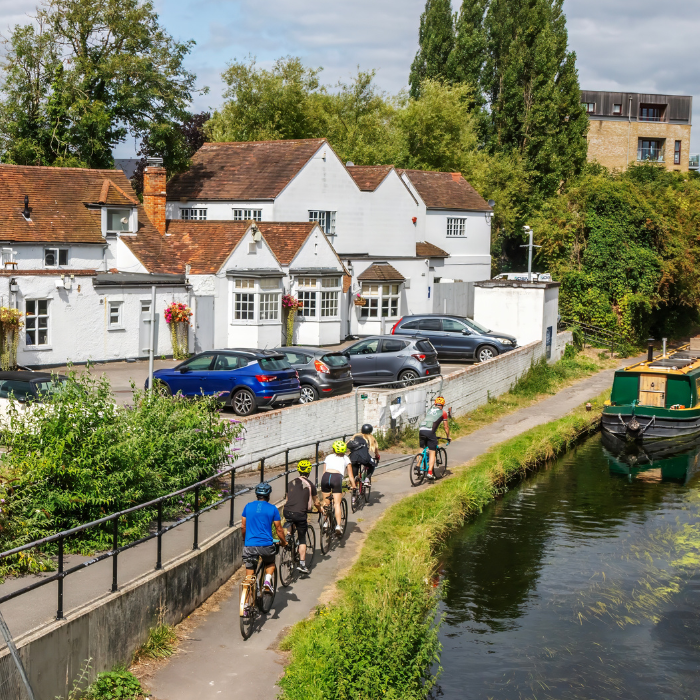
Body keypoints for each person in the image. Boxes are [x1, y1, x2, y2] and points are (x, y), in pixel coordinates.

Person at [241, 482, 287, 595]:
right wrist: (284, 542)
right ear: (269, 495)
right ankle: (267, 581)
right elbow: (279, 529)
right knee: (270, 562)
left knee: (249, 575)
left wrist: (244, 539)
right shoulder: (273, 509)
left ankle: (246, 603)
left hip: (250, 545)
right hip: (266, 545)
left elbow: (243, 526)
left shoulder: (248, 506)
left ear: (256, 494)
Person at [283, 459, 322, 574]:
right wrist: (321, 510)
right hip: (300, 514)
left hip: (287, 511)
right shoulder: (310, 485)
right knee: (302, 539)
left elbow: (287, 500)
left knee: (291, 519)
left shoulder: (290, 483)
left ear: (298, 470)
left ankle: (289, 535)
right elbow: (317, 502)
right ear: (309, 471)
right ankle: (302, 564)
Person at [321, 440, 354, 537]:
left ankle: (325, 522)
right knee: (336, 504)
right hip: (336, 478)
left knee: (326, 503)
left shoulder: (328, 457)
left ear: (333, 449)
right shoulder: (346, 459)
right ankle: (338, 526)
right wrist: (354, 486)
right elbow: (351, 476)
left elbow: (324, 472)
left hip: (326, 477)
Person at [418, 396, 450, 480]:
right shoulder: (443, 413)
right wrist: (448, 437)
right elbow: (446, 427)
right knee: (432, 452)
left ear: (435, 404)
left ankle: (418, 467)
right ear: (442, 405)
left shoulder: (429, 410)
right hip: (430, 431)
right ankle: (429, 473)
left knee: (422, 448)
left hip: (421, 429)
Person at [348, 423, 380, 488]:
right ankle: (367, 480)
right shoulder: (370, 438)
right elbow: (375, 449)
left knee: (354, 470)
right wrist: (377, 455)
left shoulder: (355, 436)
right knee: (372, 464)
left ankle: (353, 489)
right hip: (364, 458)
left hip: (353, 458)